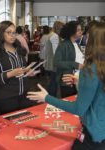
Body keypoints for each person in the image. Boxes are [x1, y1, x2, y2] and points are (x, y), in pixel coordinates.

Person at [27, 22, 105, 150]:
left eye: (87, 35)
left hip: (95, 134)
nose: (84, 36)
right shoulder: (99, 66)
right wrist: (80, 81)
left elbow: (78, 109)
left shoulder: (91, 68)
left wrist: (47, 98)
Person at [0, 21, 36, 115]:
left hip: (24, 94)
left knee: (24, 124)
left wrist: (27, 71)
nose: (13, 35)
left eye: (14, 32)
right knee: (10, 126)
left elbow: (22, 69)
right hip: (5, 97)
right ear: (1, 33)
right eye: (9, 32)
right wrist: (10, 73)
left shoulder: (19, 49)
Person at [53, 21, 84, 98]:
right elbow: (56, 62)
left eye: (81, 30)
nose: (81, 32)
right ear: (72, 32)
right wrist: (76, 65)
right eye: (78, 30)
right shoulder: (63, 45)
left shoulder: (76, 44)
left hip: (77, 79)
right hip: (68, 81)